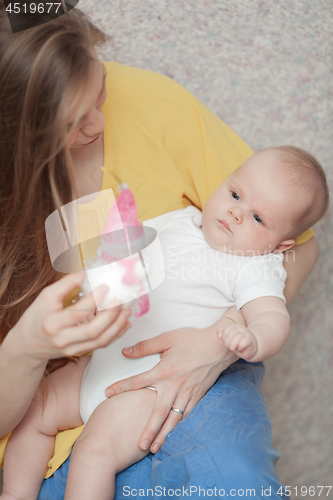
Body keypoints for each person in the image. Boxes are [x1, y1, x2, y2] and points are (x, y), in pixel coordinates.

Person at [0, 4, 320, 500]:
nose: (98, 124)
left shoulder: (252, 258)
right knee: (33, 429)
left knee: (145, 464)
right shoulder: (182, 224)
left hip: (155, 383)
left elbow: (287, 265)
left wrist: (224, 340)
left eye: (99, 88)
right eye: (68, 123)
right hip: (84, 372)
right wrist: (27, 348)